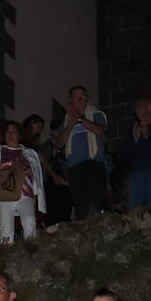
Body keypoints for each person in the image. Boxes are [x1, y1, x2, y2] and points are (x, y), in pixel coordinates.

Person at [0, 120, 45, 245]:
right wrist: (4, 169)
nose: (11, 134)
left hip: (25, 193)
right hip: (4, 195)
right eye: (7, 132)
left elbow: (36, 176)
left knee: (30, 221)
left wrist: (26, 168)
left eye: (14, 131)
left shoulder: (29, 153)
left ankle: (31, 253)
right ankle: (6, 256)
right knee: (6, 227)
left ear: (19, 135)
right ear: (4, 136)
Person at [55, 85, 109, 219]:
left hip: (93, 164)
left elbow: (100, 130)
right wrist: (70, 124)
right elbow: (59, 144)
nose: (79, 100)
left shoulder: (96, 114)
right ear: (71, 100)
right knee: (80, 205)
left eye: (82, 97)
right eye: (76, 97)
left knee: (98, 202)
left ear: (86, 99)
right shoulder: (66, 120)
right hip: (73, 167)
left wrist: (80, 119)